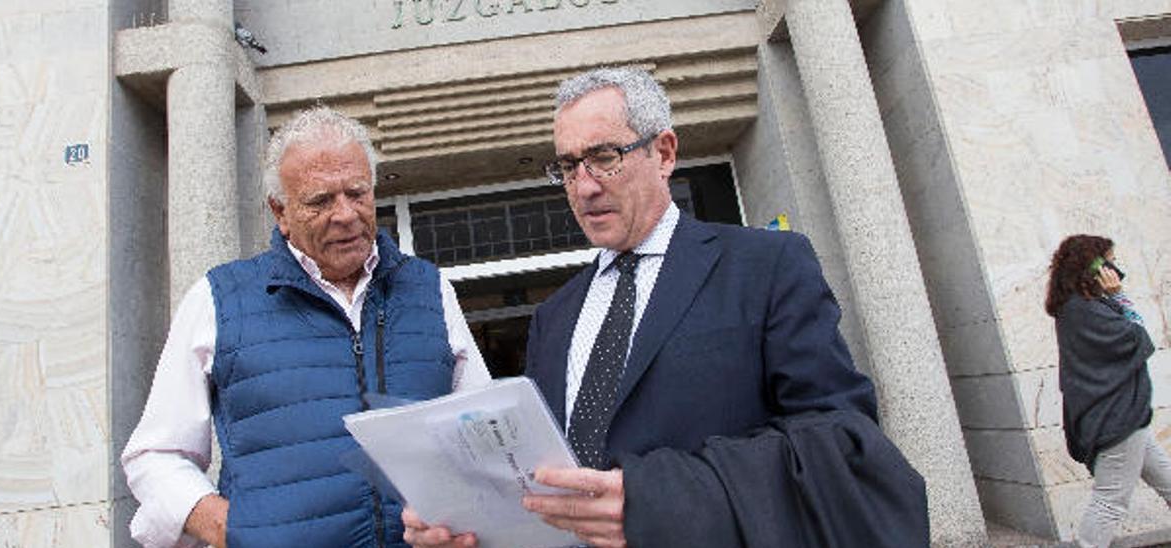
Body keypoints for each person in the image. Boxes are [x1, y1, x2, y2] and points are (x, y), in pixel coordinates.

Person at [404, 67, 927, 548]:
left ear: (665, 153)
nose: (583, 187)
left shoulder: (765, 266)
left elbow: (840, 442)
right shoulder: (554, 317)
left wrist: (659, 500)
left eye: (604, 157)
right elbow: (547, 474)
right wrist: (470, 519)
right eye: (568, 166)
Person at [121, 106, 491, 548]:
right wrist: (231, 530)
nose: (346, 215)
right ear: (280, 211)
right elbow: (155, 455)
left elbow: (481, 432)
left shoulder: (429, 288)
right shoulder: (218, 298)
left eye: (357, 193)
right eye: (320, 201)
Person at [1046, 234, 1171, 548]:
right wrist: (1120, 295)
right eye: (1110, 261)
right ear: (1093, 267)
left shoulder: (1080, 308)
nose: (1115, 268)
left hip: (1123, 417)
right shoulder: (1083, 310)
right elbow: (1138, 337)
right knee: (1110, 501)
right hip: (1116, 418)